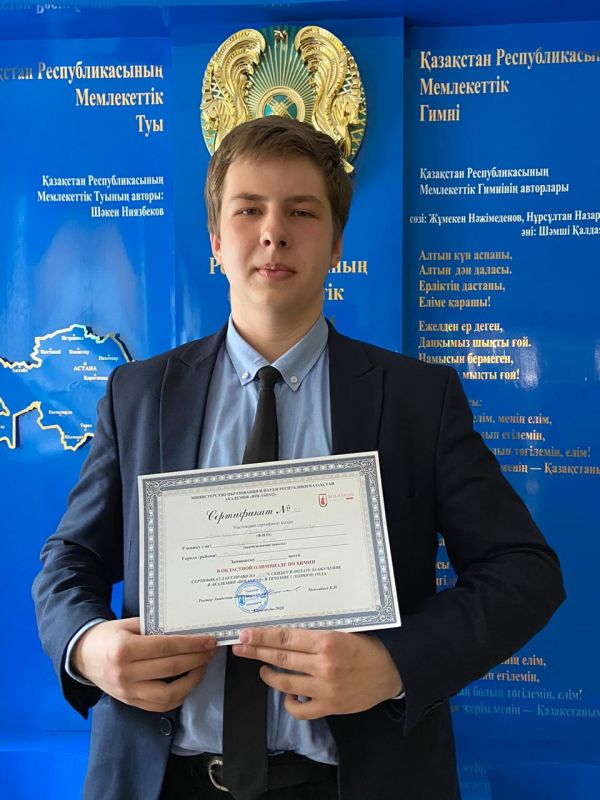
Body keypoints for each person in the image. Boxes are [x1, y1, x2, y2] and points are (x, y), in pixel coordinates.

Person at [33, 116, 565, 800]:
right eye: (248, 209)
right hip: (162, 781)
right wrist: (89, 648)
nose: (273, 232)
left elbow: (524, 570)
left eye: (302, 211)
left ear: (337, 242)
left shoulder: (418, 400)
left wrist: (393, 665)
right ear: (216, 239)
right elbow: (67, 562)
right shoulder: (137, 394)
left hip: (358, 782)